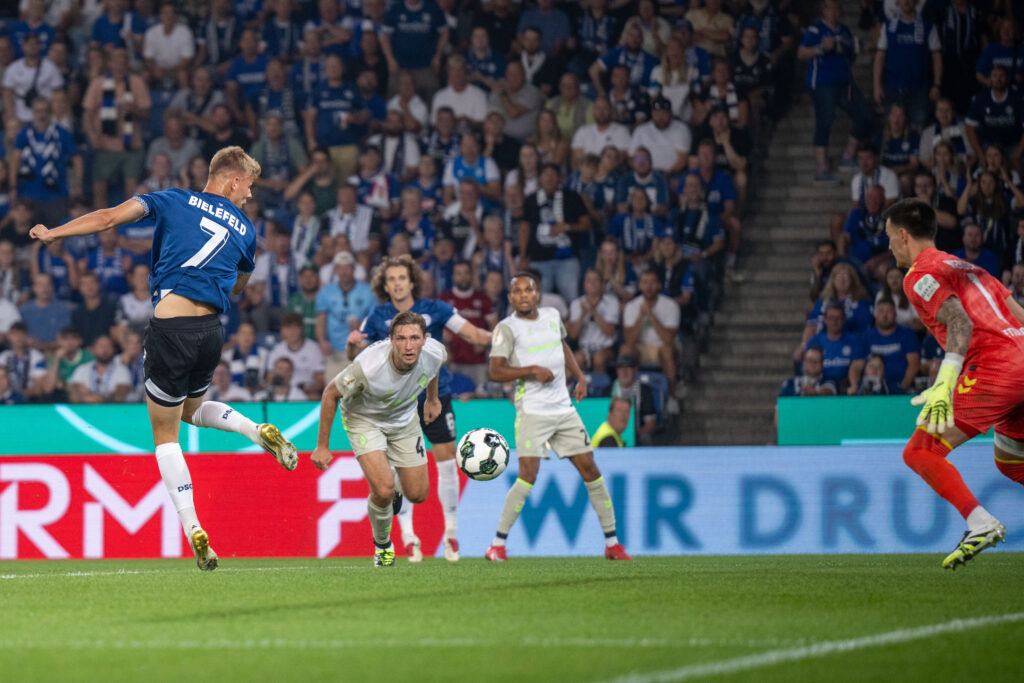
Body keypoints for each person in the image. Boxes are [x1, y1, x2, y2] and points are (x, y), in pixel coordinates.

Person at [29, 146, 299, 572]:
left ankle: (192, 526)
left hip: (171, 326)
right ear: (231, 180)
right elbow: (239, 286)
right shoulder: (246, 229)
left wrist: (53, 234)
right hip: (212, 331)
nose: (248, 195)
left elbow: (106, 218)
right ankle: (254, 429)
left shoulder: (171, 199)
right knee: (190, 410)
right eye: (247, 185)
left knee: (165, 435)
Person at [883, 198, 1024, 569]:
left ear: (902, 235)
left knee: (919, 452)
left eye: (889, 237)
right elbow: (1018, 314)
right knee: (1011, 462)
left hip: (996, 369)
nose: (887, 247)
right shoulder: (967, 266)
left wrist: (946, 381)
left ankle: (980, 524)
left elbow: (960, 323)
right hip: (1020, 357)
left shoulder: (918, 275)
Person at [347, 255, 492, 562]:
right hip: (396, 401)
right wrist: (352, 344)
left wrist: (504, 339)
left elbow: (473, 334)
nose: (397, 284)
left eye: (402, 278)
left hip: (436, 394)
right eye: (391, 279)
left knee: (446, 463)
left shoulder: (435, 309)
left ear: (412, 281)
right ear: (384, 286)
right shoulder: (377, 316)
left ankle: (451, 536)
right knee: (401, 470)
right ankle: (410, 538)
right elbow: (356, 351)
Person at [485, 271, 630, 561]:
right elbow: (495, 370)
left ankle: (612, 544)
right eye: (518, 291)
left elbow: (562, 346)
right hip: (532, 411)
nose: (524, 295)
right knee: (528, 475)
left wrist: (580, 377)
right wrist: (531, 371)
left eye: (529, 290)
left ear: (537, 294)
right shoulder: (506, 328)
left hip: (563, 408)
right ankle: (497, 545)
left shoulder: (552, 315)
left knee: (590, 468)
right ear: (511, 297)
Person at [311, 310, 445, 567]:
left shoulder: (435, 352)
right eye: (402, 338)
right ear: (392, 340)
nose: (409, 345)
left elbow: (433, 368)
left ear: (425, 339)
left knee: (418, 494)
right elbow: (330, 394)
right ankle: (383, 546)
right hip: (364, 420)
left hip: (405, 420)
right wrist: (322, 446)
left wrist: (432, 398)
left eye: (415, 338)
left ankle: (389, 476)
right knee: (383, 491)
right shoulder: (369, 366)